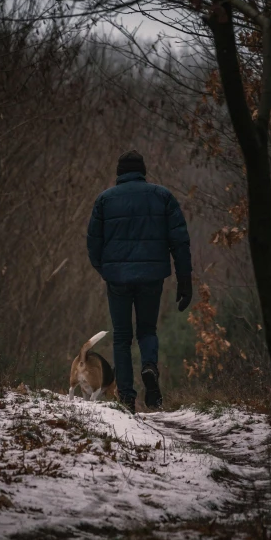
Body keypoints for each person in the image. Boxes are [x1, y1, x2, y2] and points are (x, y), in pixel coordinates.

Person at [87, 150, 192, 412]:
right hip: (152, 276)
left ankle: (126, 398)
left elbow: (93, 243)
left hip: (117, 278)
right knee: (147, 330)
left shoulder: (105, 199)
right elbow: (179, 241)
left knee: (122, 337)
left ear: (119, 173)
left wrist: (106, 270)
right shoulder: (162, 196)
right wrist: (184, 280)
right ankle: (149, 370)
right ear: (143, 171)